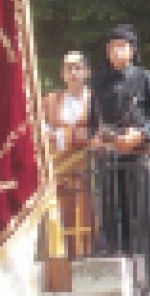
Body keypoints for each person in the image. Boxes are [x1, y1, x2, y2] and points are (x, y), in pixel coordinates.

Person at [88, 24, 150, 254]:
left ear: (132, 50)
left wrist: (142, 134)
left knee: (142, 215)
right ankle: (118, 265)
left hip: (139, 158)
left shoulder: (145, 78)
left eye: (121, 46)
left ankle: (147, 267)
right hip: (109, 159)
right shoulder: (99, 83)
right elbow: (92, 124)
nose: (116, 52)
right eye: (112, 48)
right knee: (112, 218)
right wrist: (95, 138)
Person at [43, 51, 93, 259]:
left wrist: (63, 136)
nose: (73, 73)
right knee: (60, 218)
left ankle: (89, 257)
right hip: (60, 171)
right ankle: (60, 262)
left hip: (89, 169)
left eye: (77, 68)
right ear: (62, 74)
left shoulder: (96, 100)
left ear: (87, 72)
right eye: (68, 69)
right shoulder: (50, 101)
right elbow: (41, 130)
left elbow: (99, 131)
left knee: (89, 216)